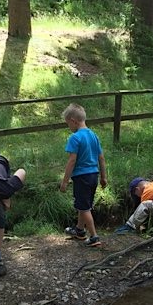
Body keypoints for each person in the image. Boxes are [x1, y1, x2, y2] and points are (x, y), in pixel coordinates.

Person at [60, 103, 107, 247]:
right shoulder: (94, 135)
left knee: (84, 207)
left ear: (73, 121)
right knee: (83, 204)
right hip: (93, 175)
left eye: (68, 123)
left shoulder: (75, 137)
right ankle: (80, 230)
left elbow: (72, 160)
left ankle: (94, 236)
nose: (69, 127)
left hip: (82, 177)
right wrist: (104, 177)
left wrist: (65, 181)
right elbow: (101, 158)